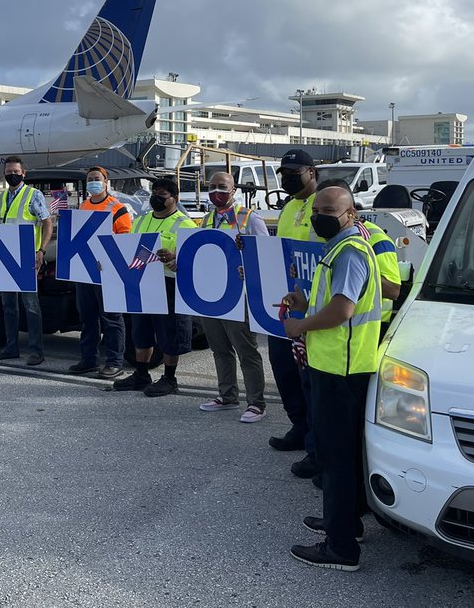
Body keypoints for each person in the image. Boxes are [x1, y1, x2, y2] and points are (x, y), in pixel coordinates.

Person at [281, 180, 383, 572]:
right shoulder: (340, 247)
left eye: (329, 212)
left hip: (341, 369)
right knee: (340, 452)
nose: (321, 217)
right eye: (317, 211)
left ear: (350, 214)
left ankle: (340, 548)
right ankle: (347, 522)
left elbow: (342, 311)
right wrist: (306, 301)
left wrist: (300, 323)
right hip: (337, 366)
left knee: (335, 457)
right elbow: (335, 300)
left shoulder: (351, 252)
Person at [195, 171, 269, 422]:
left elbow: (264, 254)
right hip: (212, 293)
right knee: (220, 349)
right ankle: (227, 396)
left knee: (246, 350)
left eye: (222, 187)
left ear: (234, 190)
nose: (217, 191)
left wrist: (246, 253)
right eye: (212, 186)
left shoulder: (249, 218)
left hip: (239, 295)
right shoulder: (206, 219)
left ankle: (256, 402)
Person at [114, 177, 196, 396]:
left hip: (168, 285)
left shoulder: (185, 223)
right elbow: (130, 246)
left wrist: (174, 256)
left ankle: (170, 378)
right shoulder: (141, 220)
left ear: (174, 200)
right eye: (154, 193)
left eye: (162, 195)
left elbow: (192, 259)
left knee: (170, 333)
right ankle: (141, 374)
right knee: (141, 331)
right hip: (143, 282)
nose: (156, 198)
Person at [267, 149, 320, 460]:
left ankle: (316, 442)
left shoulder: (325, 204)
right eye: (283, 173)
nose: (287, 177)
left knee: (309, 379)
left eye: (294, 171)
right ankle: (299, 427)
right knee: (284, 368)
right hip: (286, 303)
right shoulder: (289, 207)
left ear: (311, 172)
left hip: (314, 307)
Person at [66, 167, 131, 378]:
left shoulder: (118, 208)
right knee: (88, 318)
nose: (93, 182)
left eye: (97, 179)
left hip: (108, 271)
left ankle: (114, 362)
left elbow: (125, 240)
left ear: (105, 181)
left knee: (111, 318)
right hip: (84, 270)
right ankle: (89, 360)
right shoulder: (83, 206)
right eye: (90, 179)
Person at [0, 157, 52, 366]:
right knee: (8, 306)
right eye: (8, 171)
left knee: (31, 306)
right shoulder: (1, 197)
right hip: (6, 257)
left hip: (27, 258)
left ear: (23, 173)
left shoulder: (33, 195)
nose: (11, 174)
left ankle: (36, 351)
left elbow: (47, 223)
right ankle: (11, 347)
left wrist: (41, 249)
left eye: (15, 171)